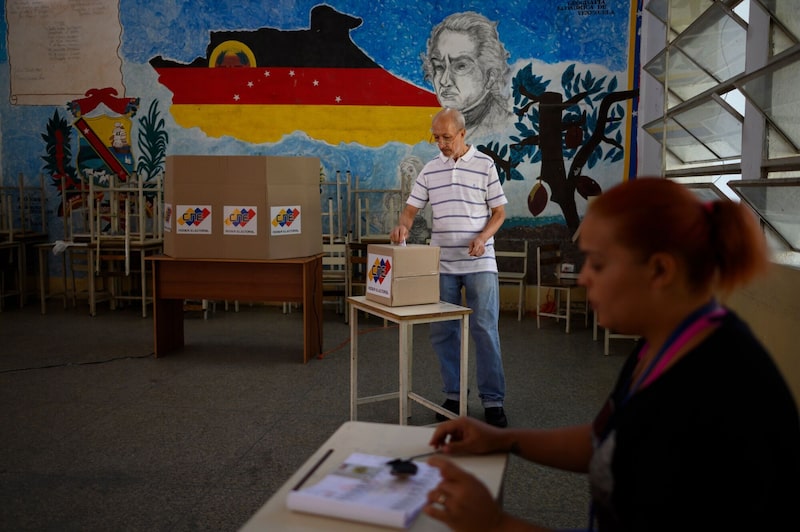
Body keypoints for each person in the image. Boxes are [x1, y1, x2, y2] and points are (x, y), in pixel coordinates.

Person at [419, 177, 800, 531]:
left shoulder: (713, 392)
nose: (584, 278)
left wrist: (495, 524)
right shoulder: (665, 345)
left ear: (660, 270)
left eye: (598, 264)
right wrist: (502, 439)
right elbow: (613, 439)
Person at [390, 107, 509, 428]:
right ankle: (454, 395)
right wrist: (402, 226)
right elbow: (411, 211)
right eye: (436, 138)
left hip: (480, 261)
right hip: (442, 263)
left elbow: (499, 212)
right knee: (443, 331)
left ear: (462, 134)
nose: (441, 143)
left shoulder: (485, 165)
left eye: (446, 137)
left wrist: (483, 237)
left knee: (484, 329)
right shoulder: (429, 170)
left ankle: (493, 401)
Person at [421, 12, 514, 142]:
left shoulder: (507, 130)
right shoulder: (439, 132)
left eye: (461, 66)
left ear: (490, 77)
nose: (444, 81)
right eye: (439, 67)